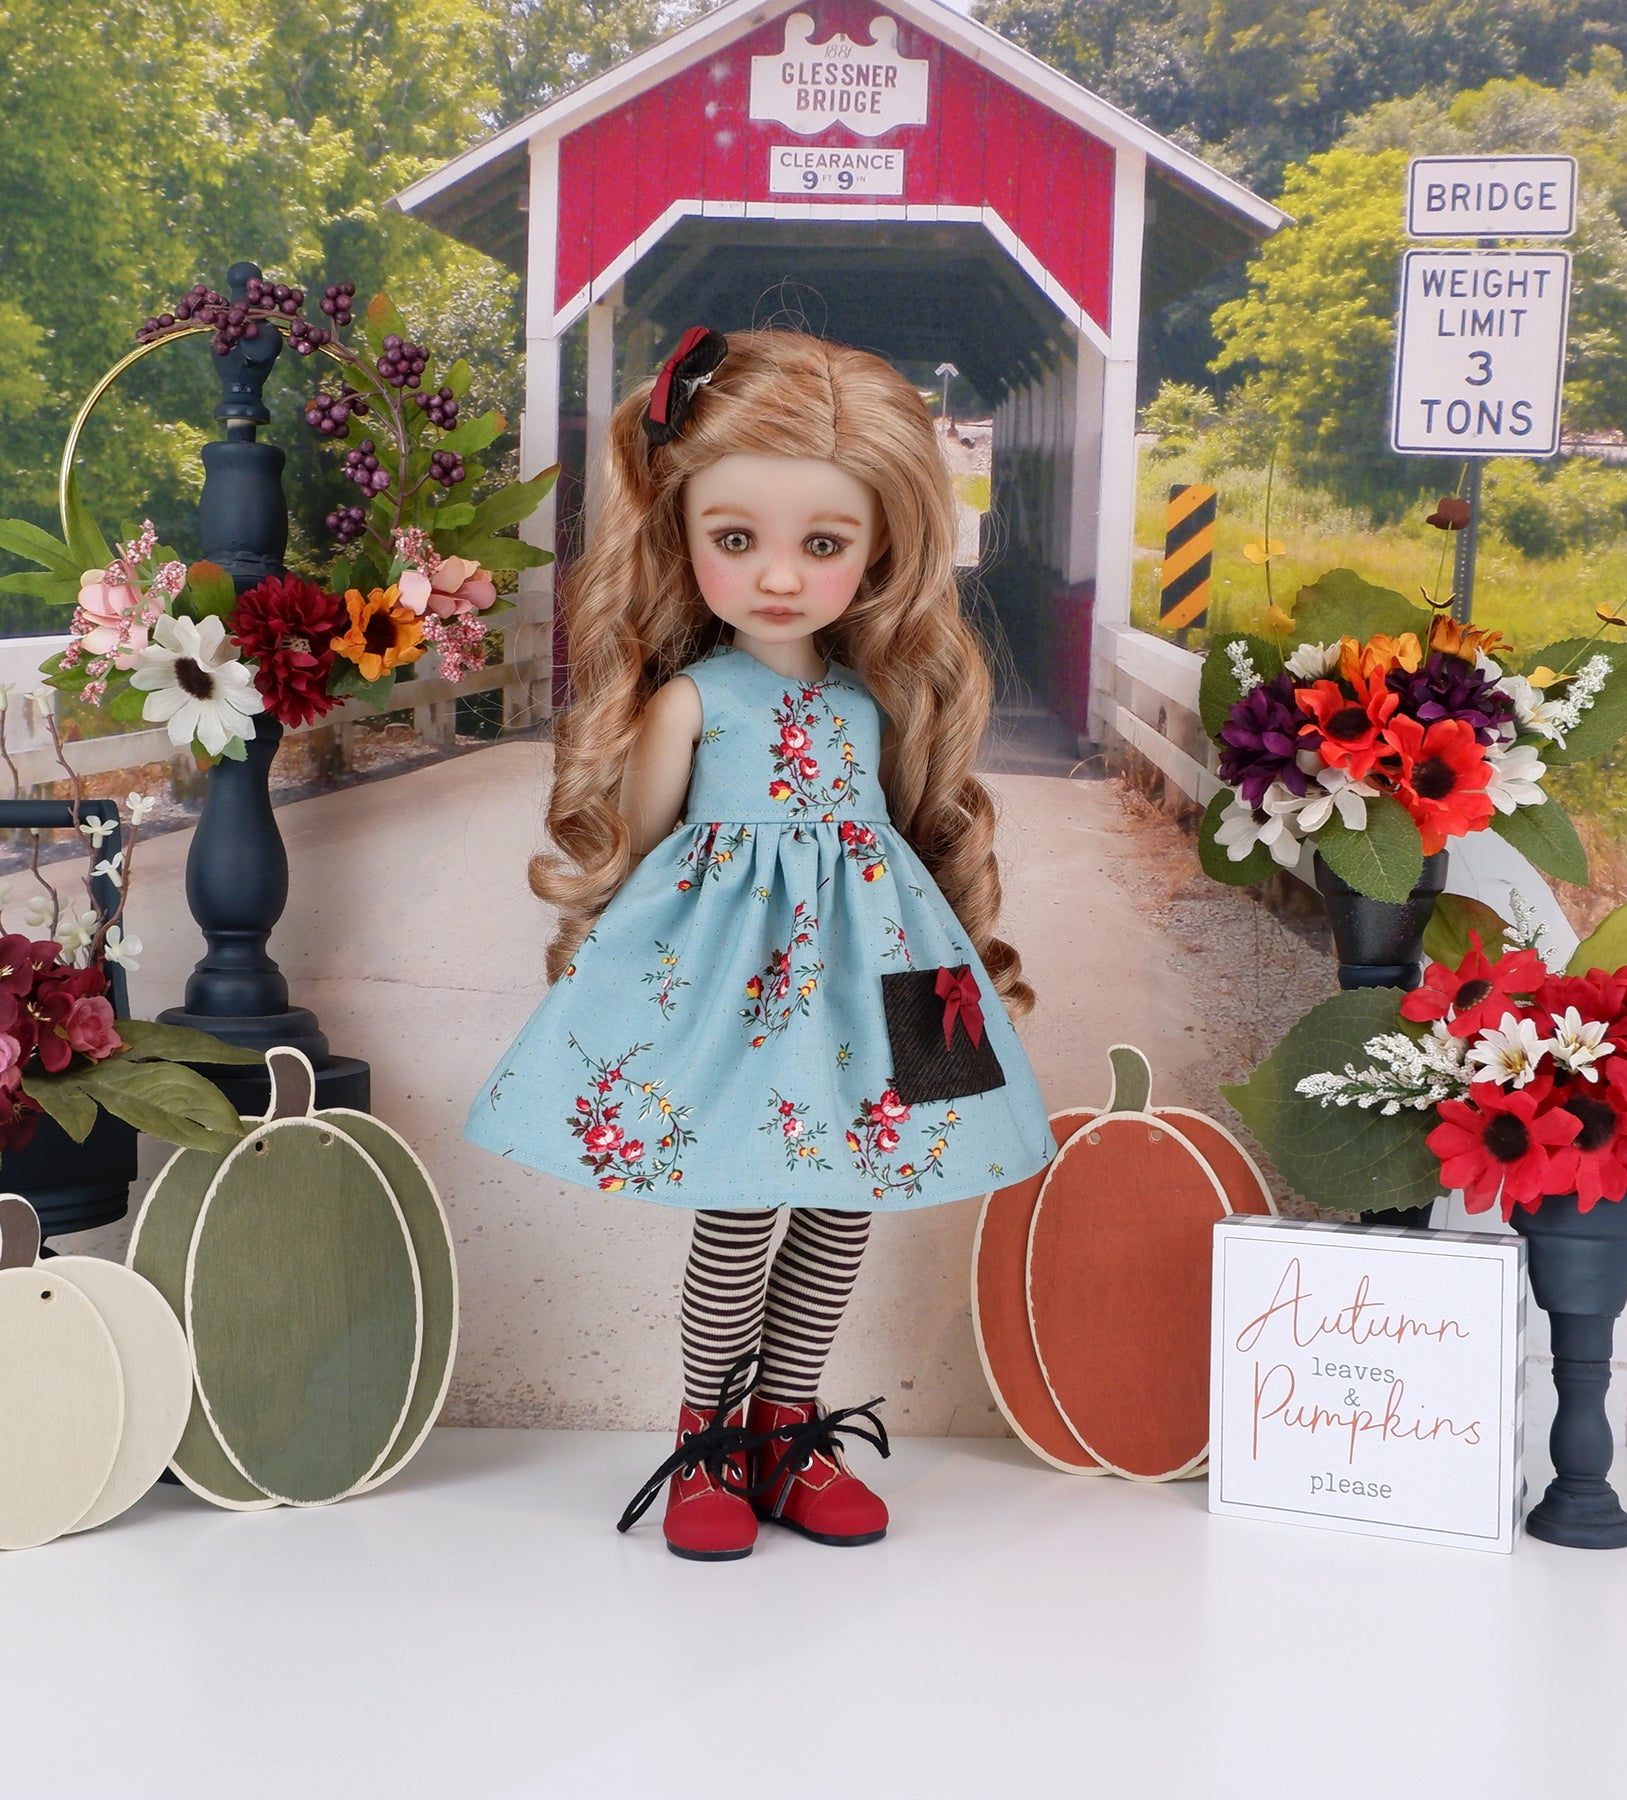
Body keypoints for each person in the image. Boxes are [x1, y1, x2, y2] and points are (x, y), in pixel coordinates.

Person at [465, 327, 1053, 1560]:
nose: (779, 575)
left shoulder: (874, 700)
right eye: (735, 539)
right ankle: (710, 1439)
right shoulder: (693, 700)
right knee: (739, 1202)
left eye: (822, 544)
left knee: (851, 1198)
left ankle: (789, 1430)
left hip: (882, 968)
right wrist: (616, 966)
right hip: (738, 986)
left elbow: (900, 833)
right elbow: (645, 852)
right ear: (681, 536)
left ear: (880, 548)